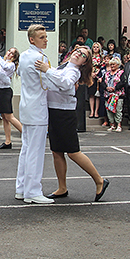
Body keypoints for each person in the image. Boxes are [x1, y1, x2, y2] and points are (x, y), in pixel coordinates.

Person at [37, 46, 109, 201]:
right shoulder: (63, 66)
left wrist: (47, 70)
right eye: (78, 51)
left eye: (83, 55)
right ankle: (62, 187)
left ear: (85, 62)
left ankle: (99, 180)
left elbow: (65, 84)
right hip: (54, 111)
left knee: (73, 152)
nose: (78, 54)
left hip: (65, 113)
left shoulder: (74, 71)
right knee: (56, 151)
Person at [15, 24, 54, 204]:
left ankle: (22, 188)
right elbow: (47, 82)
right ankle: (33, 191)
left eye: (45, 37)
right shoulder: (40, 58)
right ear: (32, 39)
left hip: (26, 106)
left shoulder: (24, 55)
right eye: (42, 37)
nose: (45, 40)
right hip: (37, 107)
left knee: (26, 149)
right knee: (35, 152)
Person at [0, 47, 23, 149]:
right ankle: (8, 141)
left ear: (14, 57)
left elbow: (4, 68)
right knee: (5, 117)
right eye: (9, 51)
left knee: (9, 116)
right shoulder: (4, 62)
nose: (9, 54)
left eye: (12, 53)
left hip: (5, 92)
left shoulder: (11, 65)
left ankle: (27, 135)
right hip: (0, 91)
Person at [102, 56, 126, 132]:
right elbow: (102, 82)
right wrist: (106, 88)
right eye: (111, 64)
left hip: (117, 95)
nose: (112, 66)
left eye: (113, 64)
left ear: (117, 65)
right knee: (109, 110)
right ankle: (112, 125)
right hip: (108, 95)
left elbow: (123, 82)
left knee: (118, 110)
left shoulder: (121, 73)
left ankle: (119, 125)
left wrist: (115, 88)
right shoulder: (106, 73)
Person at [88, 42, 104, 119]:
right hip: (91, 76)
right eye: (94, 47)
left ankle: (96, 111)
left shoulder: (101, 57)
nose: (95, 48)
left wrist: (98, 73)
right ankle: (92, 111)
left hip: (98, 76)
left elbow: (103, 67)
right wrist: (91, 73)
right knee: (91, 94)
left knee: (97, 95)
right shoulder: (90, 57)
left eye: (97, 47)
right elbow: (87, 66)